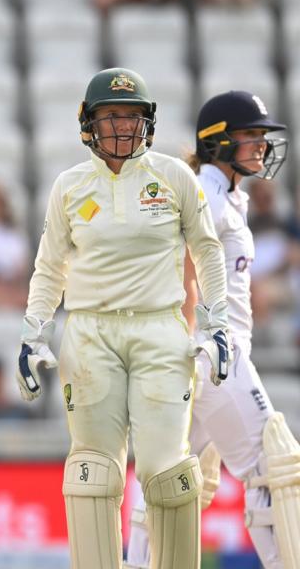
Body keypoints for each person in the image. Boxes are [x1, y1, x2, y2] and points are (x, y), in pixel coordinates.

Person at [15, 67, 230, 569]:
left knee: (167, 473)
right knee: (93, 471)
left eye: (132, 116)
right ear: (88, 124)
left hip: (159, 329)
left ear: (147, 123)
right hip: (89, 333)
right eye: (111, 116)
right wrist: (32, 334)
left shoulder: (173, 176)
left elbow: (207, 250)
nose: (122, 127)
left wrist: (216, 325)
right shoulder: (69, 185)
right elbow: (50, 265)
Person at [125, 90, 300, 569]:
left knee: (168, 478)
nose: (261, 145)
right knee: (273, 466)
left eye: (263, 136)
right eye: (251, 135)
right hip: (214, 355)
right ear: (219, 141)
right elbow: (181, 269)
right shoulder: (204, 192)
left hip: (206, 356)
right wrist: (194, 349)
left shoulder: (225, 195)